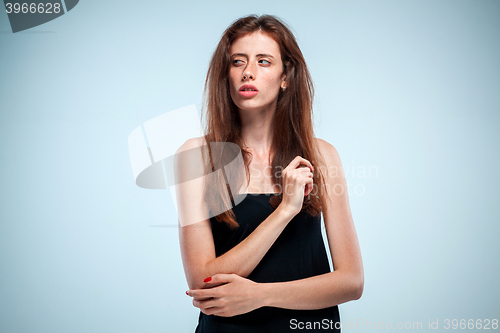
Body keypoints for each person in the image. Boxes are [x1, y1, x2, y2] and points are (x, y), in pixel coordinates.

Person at [175, 14, 363, 333]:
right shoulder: (197, 156)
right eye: (238, 61)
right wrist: (286, 210)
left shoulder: (321, 156)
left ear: (285, 76)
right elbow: (203, 283)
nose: (248, 71)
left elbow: (351, 281)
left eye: (264, 61)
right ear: (226, 75)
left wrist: (260, 295)